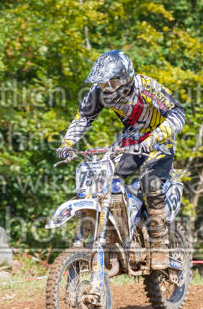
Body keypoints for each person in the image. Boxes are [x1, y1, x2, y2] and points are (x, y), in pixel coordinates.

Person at [56, 50, 186, 270]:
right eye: (102, 83)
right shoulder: (98, 92)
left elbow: (178, 114)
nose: (106, 88)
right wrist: (67, 143)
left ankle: (159, 244)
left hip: (159, 139)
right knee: (102, 179)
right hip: (132, 138)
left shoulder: (146, 87)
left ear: (125, 78)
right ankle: (111, 238)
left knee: (151, 183)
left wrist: (154, 138)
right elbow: (84, 117)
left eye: (111, 82)